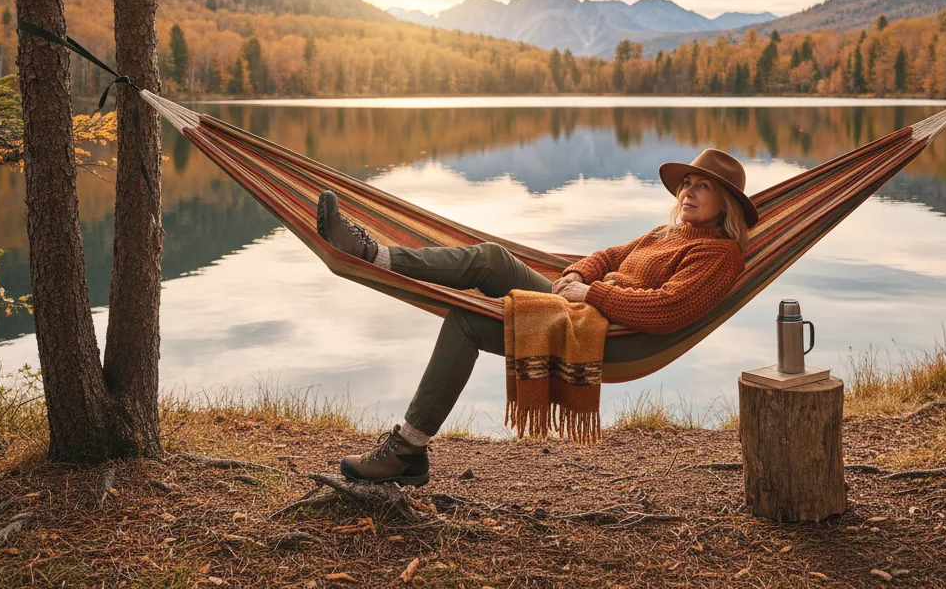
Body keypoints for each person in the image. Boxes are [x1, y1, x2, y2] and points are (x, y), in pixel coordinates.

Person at [317, 148, 757, 486]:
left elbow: (669, 308)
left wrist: (593, 293)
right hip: (583, 309)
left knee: (467, 319)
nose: (688, 192)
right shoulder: (667, 233)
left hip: (608, 334)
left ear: (727, 204)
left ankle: (407, 450)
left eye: (703, 187)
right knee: (491, 258)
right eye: (688, 183)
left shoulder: (717, 255)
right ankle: (373, 254)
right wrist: (576, 275)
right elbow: (609, 255)